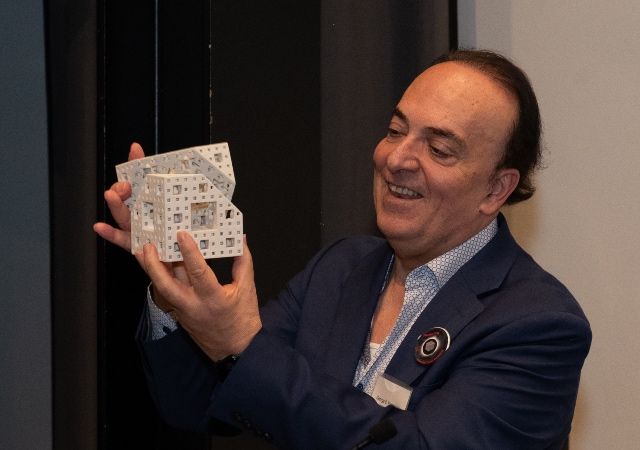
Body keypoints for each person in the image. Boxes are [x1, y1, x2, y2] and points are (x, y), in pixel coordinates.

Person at [94, 49, 591, 449]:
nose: (397, 158)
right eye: (396, 130)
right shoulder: (341, 267)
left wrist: (242, 342)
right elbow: (201, 402)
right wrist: (174, 283)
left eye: (438, 150)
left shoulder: (538, 323)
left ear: (496, 190)